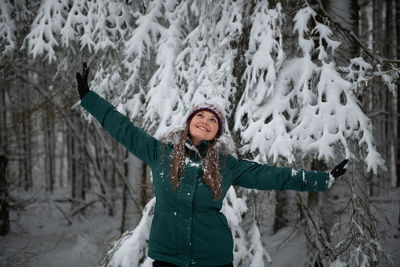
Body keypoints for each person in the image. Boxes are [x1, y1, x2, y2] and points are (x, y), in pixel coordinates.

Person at [76, 63, 348, 267]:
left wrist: (321, 179)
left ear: (217, 132)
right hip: (166, 257)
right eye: (200, 115)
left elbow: (273, 176)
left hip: (212, 259)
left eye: (213, 120)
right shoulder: (161, 153)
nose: (205, 121)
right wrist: (89, 98)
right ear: (190, 120)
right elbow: (122, 127)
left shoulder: (225, 165)